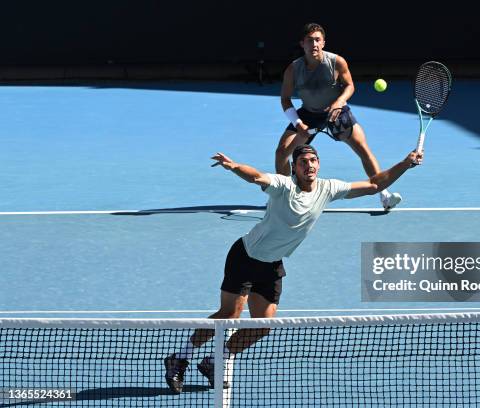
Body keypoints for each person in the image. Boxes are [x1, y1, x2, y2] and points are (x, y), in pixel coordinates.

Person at [164, 145, 423, 393]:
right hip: (245, 257)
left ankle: (215, 360)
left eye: (313, 161)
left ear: (318, 164)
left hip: (272, 264)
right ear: (295, 169)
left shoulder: (328, 188)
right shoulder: (283, 186)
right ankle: (180, 358)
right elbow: (255, 177)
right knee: (229, 315)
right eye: (303, 162)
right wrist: (234, 167)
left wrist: (405, 164)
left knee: (262, 326)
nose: (309, 166)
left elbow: (374, 185)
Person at [276, 23, 403, 210]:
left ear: (324, 42)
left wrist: (339, 103)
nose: (314, 44)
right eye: (310, 41)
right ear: (302, 44)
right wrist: (298, 122)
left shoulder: (337, 62)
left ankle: (384, 195)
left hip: (336, 112)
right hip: (308, 114)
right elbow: (285, 99)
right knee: (282, 152)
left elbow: (350, 86)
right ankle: (284, 197)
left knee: (362, 148)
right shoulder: (293, 70)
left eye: (318, 40)